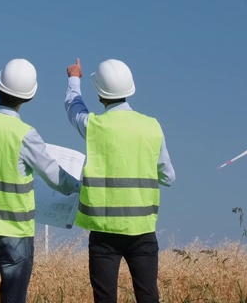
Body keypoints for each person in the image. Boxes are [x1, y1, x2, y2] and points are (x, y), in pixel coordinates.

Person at [0, 58, 81, 303]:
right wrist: (78, 186)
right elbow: (55, 177)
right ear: (29, 97)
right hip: (15, 231)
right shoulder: (25, 134)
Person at [65, 58, 175, 303]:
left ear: (100, 93)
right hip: (143, 230)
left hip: (103, 231)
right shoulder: (151, 127)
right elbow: (168, 176)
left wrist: (74, 78)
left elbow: (73, 107)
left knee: (104, 298)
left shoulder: (94, 126)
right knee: (147, 295)